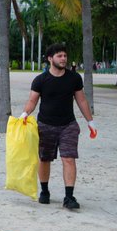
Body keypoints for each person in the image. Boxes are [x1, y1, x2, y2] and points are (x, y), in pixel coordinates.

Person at [21, 42, 96, 211]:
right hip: (45, 125)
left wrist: (90, 121)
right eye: (59, 56)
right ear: (50, 59)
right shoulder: (40, 80)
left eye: (65, 56)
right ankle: (45, 192)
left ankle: (69, 197)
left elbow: (81, 100)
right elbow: (32, 100)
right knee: (45, 159)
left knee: (69, 158)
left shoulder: (74, 78)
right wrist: (25, 114)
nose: (63, 59)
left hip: (68, 125)